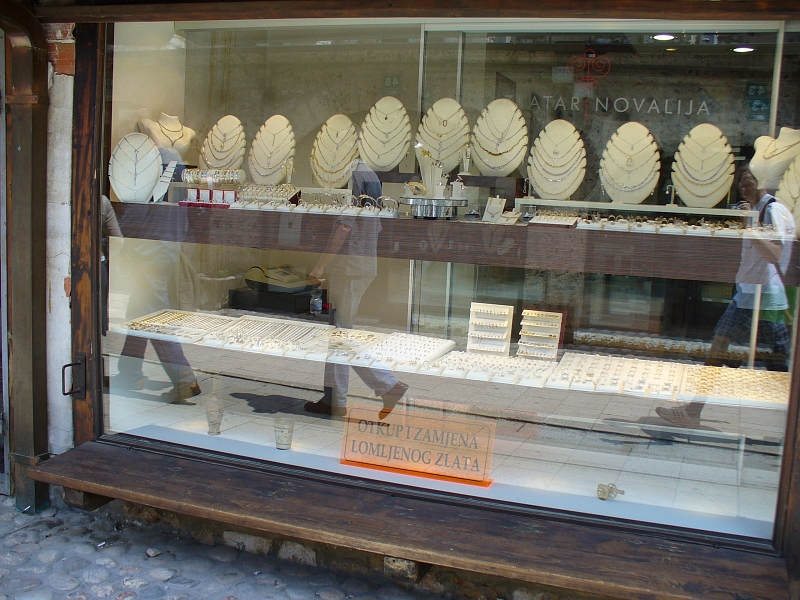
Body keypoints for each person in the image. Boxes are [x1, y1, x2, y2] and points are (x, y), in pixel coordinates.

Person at [656, 161, 795, 428]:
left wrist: (747, 228)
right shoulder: (755, 211)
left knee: (778, 363)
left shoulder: (773, 209)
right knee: (722, 349)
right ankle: (693, 411)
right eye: (741, 180)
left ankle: (792, 428)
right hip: (748, 296)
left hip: (766, 299)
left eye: (749, 180)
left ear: (762, 180)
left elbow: (775, 254)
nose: (743, 185)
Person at [303, 160, 408, 419]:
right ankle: (335, 400)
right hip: (358, 266)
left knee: (342, 336)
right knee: (339, 336)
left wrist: (320, 265)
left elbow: (344, 227)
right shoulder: (369, 176)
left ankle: (387, 385)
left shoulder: (357, 175)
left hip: (350, 269)